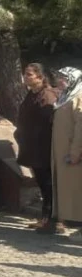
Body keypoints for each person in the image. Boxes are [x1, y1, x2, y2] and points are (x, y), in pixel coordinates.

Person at [15, 63, 58, 233]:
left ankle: (51, 221)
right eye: (25, 74)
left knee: (48, 185)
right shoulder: (32, 94)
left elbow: (47, 123)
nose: (25, 77)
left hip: (44, 148)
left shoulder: (47, 95)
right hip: (33, 147)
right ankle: (45, 218)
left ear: (40, 77)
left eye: (29, 74)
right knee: (42, 183)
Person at [51, 67, 82, 240]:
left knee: (78, 190)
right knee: (70, 191)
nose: (59, 80)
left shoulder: (79, 97)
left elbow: (81, 128)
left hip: (74, 155)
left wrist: (75, 152)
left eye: (63, 78)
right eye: (59, 77)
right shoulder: (66, 96)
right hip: (62, 152)